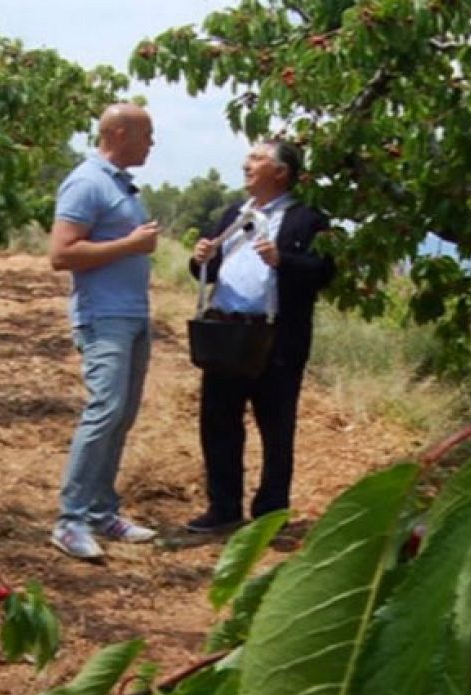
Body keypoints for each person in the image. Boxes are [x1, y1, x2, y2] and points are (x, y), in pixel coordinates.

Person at [186, 140, 335, 533]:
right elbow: (211, 270)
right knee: (218, 423)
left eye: (256, 158)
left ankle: (269, 512)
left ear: (281, 172)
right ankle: (223, 508)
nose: (245, 164)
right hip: (226, 333)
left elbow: (325, 271)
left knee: (276, 428)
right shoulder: (234, 214)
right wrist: (200, 259)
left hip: (277, 340)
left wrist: (283, 261)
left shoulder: (309, 219)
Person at [46, 103, 162, 561]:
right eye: (146, 134)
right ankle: (69, 520)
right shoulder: (85, 182)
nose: (152, 143)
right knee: (104, 409)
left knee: (122, 413)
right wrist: (130, 245)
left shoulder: (119, 183)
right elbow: (61, 254)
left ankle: (100, 510)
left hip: (133, 313)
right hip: (104, 316)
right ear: (117, 133)